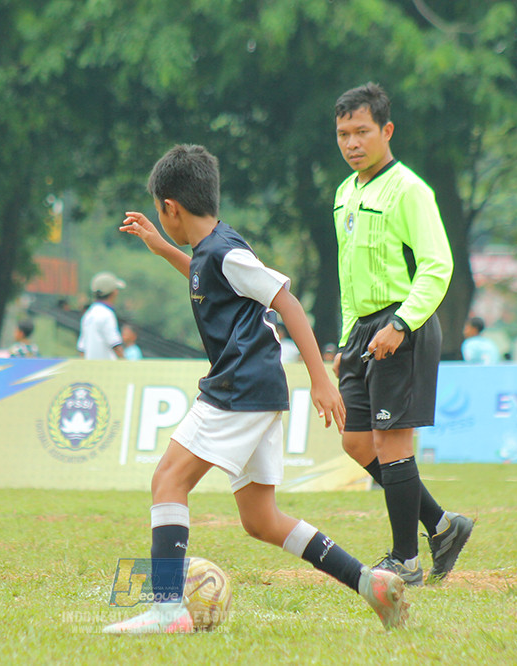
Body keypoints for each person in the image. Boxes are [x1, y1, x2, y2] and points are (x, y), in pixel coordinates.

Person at [104, 144, 408, 634]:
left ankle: (165, 611)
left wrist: (320, 377)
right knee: (261, 520)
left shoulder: (226, 251)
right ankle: (368, 583)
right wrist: (164, 249)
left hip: (238, 387)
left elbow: (287, 302)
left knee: (168, 481)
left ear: (170, 207)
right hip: (258, 390)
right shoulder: (212, 250)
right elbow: (209, 280)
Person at [332, 83, 473, 587]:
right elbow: (348, 275)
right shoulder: (344, 193)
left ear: (386, 131)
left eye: (362, 132)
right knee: (355, 441)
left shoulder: (410, 189)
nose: (352, 143)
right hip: (364, 330)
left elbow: (438, 267)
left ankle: (405, 560)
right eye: (344, 133)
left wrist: (399, 323)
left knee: (393, 443)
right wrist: (347, 339)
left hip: (403, 324)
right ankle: (442, 525)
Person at [77, 272, 126, 360]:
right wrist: (127, 366)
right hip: (107, 369)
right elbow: (115, 345)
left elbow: (82, 349)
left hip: (91, 369)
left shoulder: (88, 315)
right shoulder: (107, 314)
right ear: (113, 292)